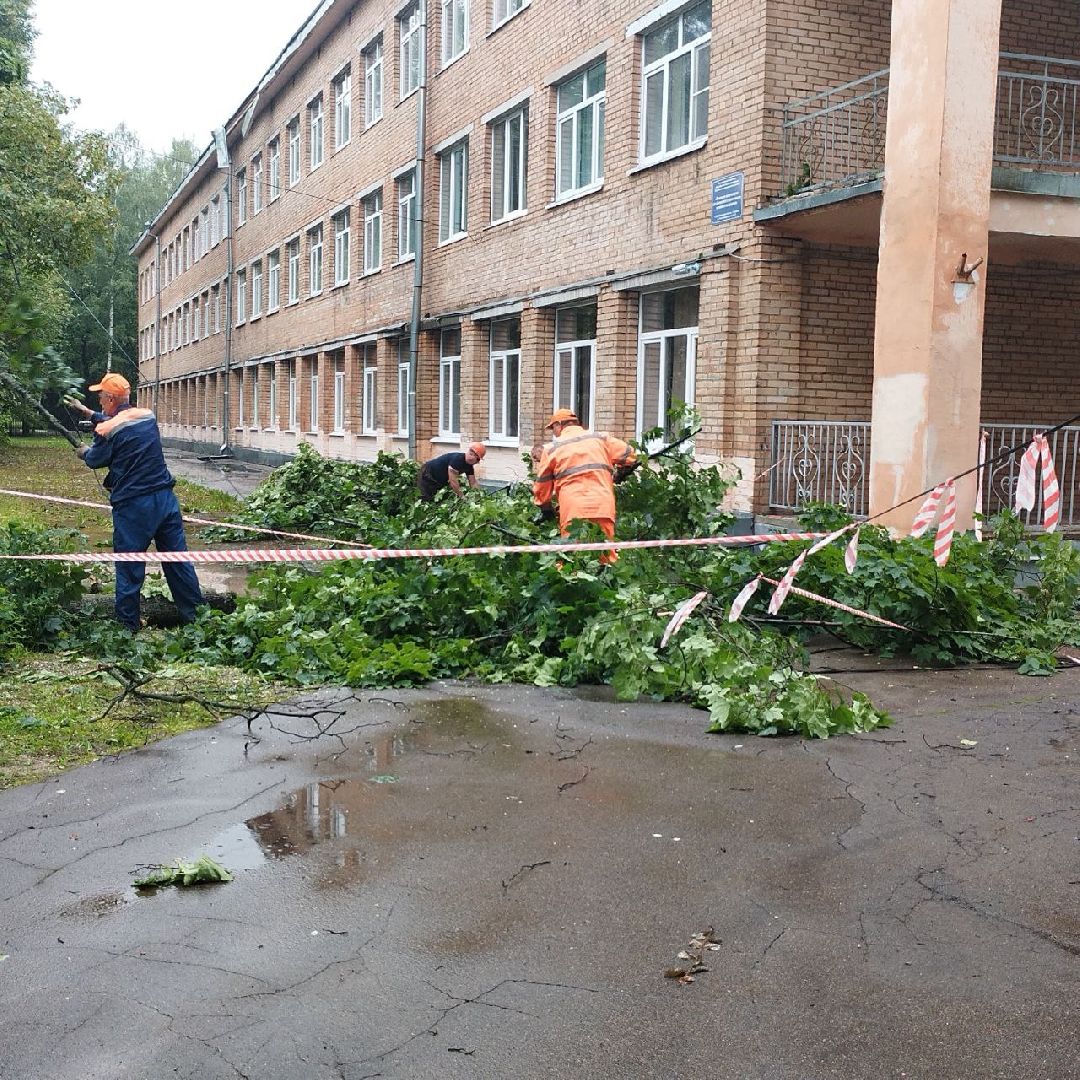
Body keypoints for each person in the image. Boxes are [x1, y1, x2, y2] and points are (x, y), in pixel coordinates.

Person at [66, 373, 204, 631]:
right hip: (165, 500)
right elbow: (117, 421)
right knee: (178, 561)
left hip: (134, 507)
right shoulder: (146, 416)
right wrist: (88, 412)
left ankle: (127, 629)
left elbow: (96, 459)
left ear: (110, 398)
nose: (99, 400)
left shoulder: (107, 430)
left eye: (100, 397)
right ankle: (197, 620)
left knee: (129, 566)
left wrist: (84, 452)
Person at [532, 408, 637, 563]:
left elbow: (542, 485)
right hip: (603, 506)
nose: (554, 434)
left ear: (560, 425)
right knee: (606, 557)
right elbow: (630, 456)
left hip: (573, 511)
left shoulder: (553, 449)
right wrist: (621, 473)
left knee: (572, 561)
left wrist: (545, 508)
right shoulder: (600, 438)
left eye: (553, 428)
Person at [417, 443, 486, 501]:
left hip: (440, 480)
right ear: (473, 456)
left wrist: (479, 495)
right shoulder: (457, 460)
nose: (477, 462)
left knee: (439, 499)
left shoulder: (469, 466)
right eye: (478, 460)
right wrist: (462, 497)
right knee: (426, 499)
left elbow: (473, 483)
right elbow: (453, 481)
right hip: (428, 474)